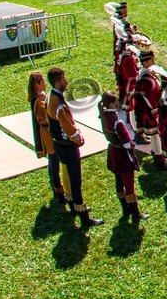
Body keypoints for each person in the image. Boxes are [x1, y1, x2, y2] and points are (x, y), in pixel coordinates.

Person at [44, 66, 102, 228]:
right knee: (75, 179)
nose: (66, 81)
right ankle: (84, 216)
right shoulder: (58, 103)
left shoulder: (51, 96)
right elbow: (68, 127)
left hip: (58, 143)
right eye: (63, 79)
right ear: (57, 83)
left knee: (67, 176)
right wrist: (78, 138)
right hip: (67, 145)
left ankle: (73, 207)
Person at [98, 93, 144, 225]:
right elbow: (128, 143)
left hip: (113, 151)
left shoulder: (104, 116)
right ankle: (135, 212)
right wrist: (132, 146)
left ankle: (125, 208)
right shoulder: (117, 122)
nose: (118, 103)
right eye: (116, 101)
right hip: (122, 154)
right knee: (128, 183)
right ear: (112, 103)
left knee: (118, 181)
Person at [27, 70, 64, 206]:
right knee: (54, 160)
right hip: (48, 134)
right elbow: (46, 117)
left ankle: (56, 186)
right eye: (42, 82)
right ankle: (58, 190)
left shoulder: (39, 98)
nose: (44, 83)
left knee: (53, 161)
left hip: (47, 133)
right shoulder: (39, 101)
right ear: (36, 85)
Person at [131, 50, 167, 173]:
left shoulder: (145, 74)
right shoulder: (146, 78)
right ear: (146, 62)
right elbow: (151, 96)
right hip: (151, 111)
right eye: (152, 60)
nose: (154, 62)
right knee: (156, 135)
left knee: (154, 136)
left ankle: (155, 152)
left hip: (148, 110)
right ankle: (159, 159)